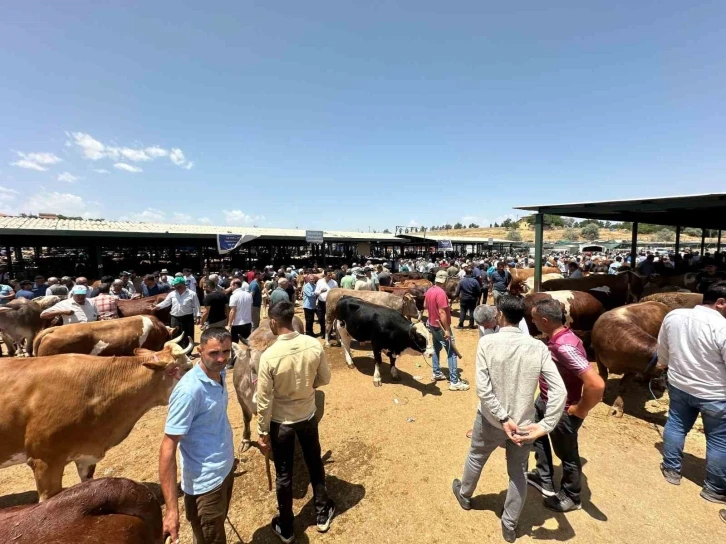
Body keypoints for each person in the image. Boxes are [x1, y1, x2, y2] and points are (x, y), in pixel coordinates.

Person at [452, 295, 566, 543]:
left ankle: (465, 494)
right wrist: (545, 426)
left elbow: (483, 390)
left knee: (476, 456)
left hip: (491, 421)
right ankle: (510, 524)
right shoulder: (537, 347)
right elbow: (560, 391)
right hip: (524, 426)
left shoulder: (487, 344)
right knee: (518, 474)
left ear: (500, 316)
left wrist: (503, 418)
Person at [256, 301, 335, 542]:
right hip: (308, 415)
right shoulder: (313, 344)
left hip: (281, 422)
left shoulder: (268, 356)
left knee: (284, 473)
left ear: (272, 322)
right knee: (314, 462)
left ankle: (287, 525)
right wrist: (309, 386)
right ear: (292, 318)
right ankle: (322, 513)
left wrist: (261, 430)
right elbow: (325, 378)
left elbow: (264, 399)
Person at [528, 298, 606, 512]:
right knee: (539, 439)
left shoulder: (564, 346)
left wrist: (579, 409)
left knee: (567, 454)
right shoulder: (563, 338)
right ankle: (543, 477)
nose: (533, 323)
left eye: (535, 319)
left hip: (561, 410)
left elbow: (596, 384)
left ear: (544, 321)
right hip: (546, 400)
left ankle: (572, 497)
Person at [160, 328, 235, 544]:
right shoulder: (188, 392)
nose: (221, 358)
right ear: (199, 351)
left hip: (225, 467)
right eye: (213, 353)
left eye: (226, 351)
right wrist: (171, 511)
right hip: (206, 482)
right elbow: (167, 448)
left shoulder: (219, 372)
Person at [657, 281, 726, 504]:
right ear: (721, 303)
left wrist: (665, 364)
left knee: (676, 424)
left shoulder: (674, 316)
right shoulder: (723, 328)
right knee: (718, 440)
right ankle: (714, 488)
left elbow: (663, 347)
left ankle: (671, 470)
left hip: (679, 384)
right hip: (715, 393)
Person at [425, 270, 468, 391]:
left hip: (432, 324)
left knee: (436, 348)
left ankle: (437, 372)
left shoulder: (429, 290)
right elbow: (443, 312)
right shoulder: (441, 293)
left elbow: (425, 305)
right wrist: (447, 330)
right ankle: (454, 381)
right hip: (441, 327)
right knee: (452, 352)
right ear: (445, 281)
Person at [155, 276, 201, 349]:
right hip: (175, 317)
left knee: (188, 335)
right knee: (175, 335)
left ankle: (188, 353)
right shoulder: (172, 294)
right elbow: (166, 302)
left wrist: (198, 316)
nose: (175, 286)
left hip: (187, 317)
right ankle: (177, 351)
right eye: (174, 285)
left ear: (182, 284)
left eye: (176, 285)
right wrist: (156, 307)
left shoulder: (192, 294)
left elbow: (196, 305)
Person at [228, 279, 253, 343]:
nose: (230, 287)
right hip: (248, 322)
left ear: (235, 285)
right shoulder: (249, 295)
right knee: (247, 343)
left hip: (237, 324)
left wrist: (229, 324)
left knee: (234, 344)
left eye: (231, 285)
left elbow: (232, 311)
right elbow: (251, 308)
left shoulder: (233, 296)